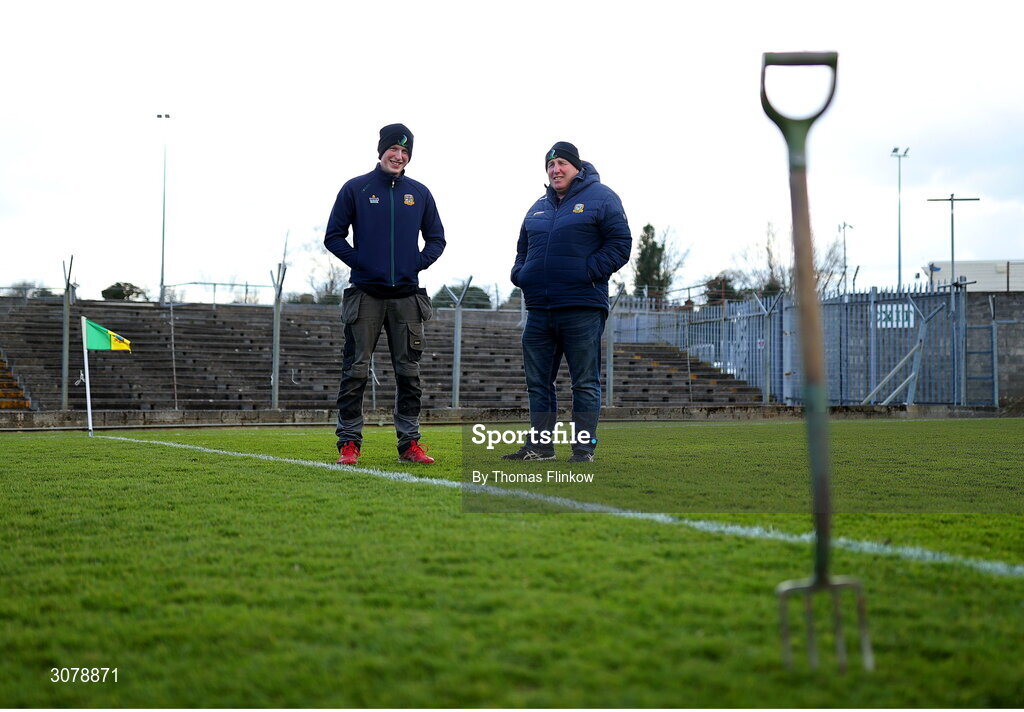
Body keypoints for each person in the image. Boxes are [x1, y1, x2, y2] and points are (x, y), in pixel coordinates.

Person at [324, 123, 445, 465]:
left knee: (409, 373)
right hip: (365, 295)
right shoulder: (356, 189)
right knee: (355, 371)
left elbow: (437, 238)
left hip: (407, 298)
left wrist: (416, 263)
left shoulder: (419, 193)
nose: (399, 155)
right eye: (394, 149)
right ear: (381, 152)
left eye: (405, 152)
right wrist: (361, 262)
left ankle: (410, 444)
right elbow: (333, 236)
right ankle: (349, 444)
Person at [504, 141, 631, 463]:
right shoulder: (537, 207)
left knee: (584, 382)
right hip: (539, 309)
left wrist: (587, 271)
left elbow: (620, 243)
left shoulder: (602, 198)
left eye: (561, 163)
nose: (555, 170)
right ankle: (541, 447)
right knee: (538, 383)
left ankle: (583, 449)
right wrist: (521, 273)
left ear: (577, 167)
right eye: (550, 165)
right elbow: (523, 248)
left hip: (581, 306)